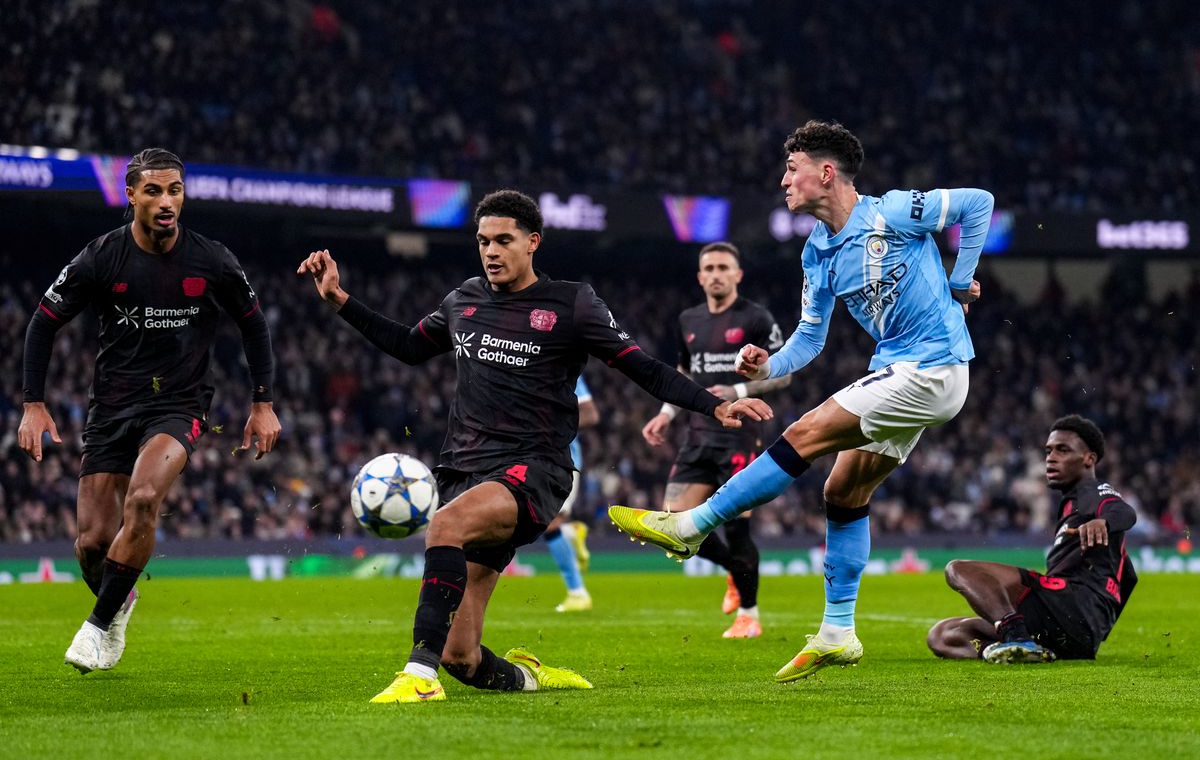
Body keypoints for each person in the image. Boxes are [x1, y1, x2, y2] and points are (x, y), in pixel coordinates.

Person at [297, 189, 770, 705]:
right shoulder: (463, 300)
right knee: (462, 656)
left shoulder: (572, 303)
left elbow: (643, 366)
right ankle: (532, 677)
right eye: (483, 241)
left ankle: (417, 677)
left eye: (504, 240)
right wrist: (340, 301)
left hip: (534, 469)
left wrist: (714, 405)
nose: (491, 251)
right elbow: (409, 347)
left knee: (445, 525)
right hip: (463, 470)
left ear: (533, 242)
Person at [610, 120, 993, 682]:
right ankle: (839, 633)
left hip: (931, 367)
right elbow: (809, 341)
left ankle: (693, 524)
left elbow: (978, 204)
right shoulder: (818, 252)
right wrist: (768, 362)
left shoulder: (892, 211)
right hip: (902, 371)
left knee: (804, 434)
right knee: (843, 490)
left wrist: (961, 283)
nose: (783, 179)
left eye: (792, 168)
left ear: (826, 172)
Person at [18, 148, 280, 674]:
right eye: (155, 191)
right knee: (92, 544)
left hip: (179, 404)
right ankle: (120, 601)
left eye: (175, 191)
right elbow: (43, 322)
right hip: (112, 406)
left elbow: (254, 324)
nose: (167, 202)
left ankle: (96, 628)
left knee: (141, 500)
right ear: (131, 194)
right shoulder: (101, 257)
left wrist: (263, 403)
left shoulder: (213, 260)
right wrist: (33, 404)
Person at [640, 241, 789, 638]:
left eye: (724, 267)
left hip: (742, 434)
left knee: (738, 527)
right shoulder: (687, 320)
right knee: (672, 529)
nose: (717, 273)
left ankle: (750, 616)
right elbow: (684, 373)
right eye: (710, 268)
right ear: (700, 276)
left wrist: (739, 393)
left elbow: (785, 373)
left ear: (738, 275)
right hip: (698, 433)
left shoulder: (756, 318)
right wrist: (667, 412)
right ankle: (733, 572)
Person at [928, 415, 1138, 663]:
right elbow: (1129, 578)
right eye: (1049, 451)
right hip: (1068, 630)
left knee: (958, 570)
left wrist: (1104, 522)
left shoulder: (1090, 492)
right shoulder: (1072, 505)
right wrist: (1097, 630)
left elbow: (1123, 511)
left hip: (1069, 607)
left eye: (1063, 450)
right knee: (942, 634)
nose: (1051, 457)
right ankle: (1011, 651)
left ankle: (1016, 637)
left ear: (1089, 458)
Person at [543, 376, 599, 613]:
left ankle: (577, 592)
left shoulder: (567, 369)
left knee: (549, 522)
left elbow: (590, 414)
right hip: (532, 459)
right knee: (541, 521)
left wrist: (547, 428)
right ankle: (570, 532)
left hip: (563, 461)